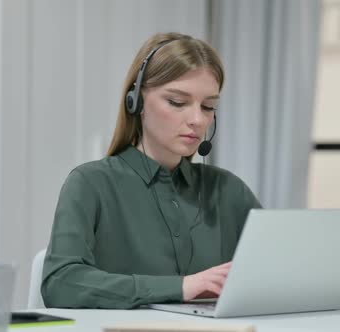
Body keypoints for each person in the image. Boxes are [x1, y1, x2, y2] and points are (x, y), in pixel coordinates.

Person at [41, 32, 262, 309]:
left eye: (208, 107)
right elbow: (60, 283)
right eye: (177, 102)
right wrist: (182, 287)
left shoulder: (229, 190)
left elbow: (281, 271)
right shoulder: (91, 183)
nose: (197, 120)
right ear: (136, 101)